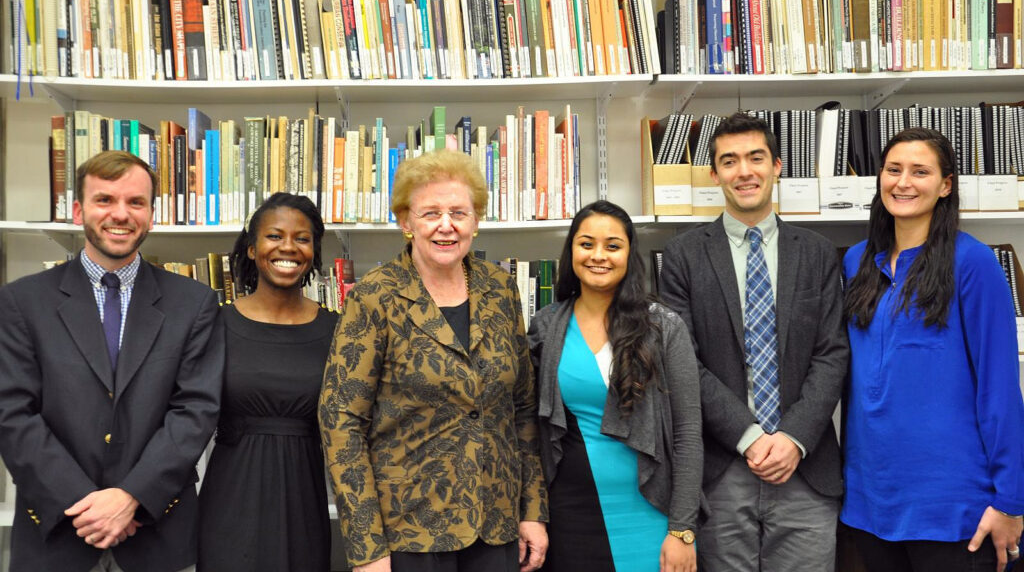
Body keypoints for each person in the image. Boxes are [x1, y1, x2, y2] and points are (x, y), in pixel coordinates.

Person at [318, 149, 548, 572]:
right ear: (406, 222)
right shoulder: (375, 296)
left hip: (494, 523)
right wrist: (367, 546)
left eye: (459, 212)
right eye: (430, 213)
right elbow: (341, 421)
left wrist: (531, 509)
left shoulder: (500, 290)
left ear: (476, 220)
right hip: (408, 530)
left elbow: (522, 409)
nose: (447, 225)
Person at [0, 150, 224, 572]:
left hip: (157, 531)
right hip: (57, 533)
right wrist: (87, 508)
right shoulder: (21, 302)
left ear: (152, 214)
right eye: (105, 200)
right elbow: (11, 414)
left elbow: (196, 411)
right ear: (79, 210)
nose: (120, 214)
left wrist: (131, 497)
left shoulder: (193, 303)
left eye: (135, 202)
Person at [659, 112, 849, 571]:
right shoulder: (683, 255)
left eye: (755, 157)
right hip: (721, 469)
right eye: (729, 161)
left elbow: (832, 354)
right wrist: (748, 437)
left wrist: (792, 438)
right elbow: (683, 362)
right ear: (714, 173)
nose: (744, 171)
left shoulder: (817, 251)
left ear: (777, 165)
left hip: (805, 467)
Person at [842, 126, 1024, 571]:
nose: (903, 183)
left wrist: (1011, 502)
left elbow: (1000, 389)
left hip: (955, 509)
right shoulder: (855, 262)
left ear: (945, 185)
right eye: (893, 170)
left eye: (920, 172)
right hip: (869, 505)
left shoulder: (974, 263)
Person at [528, 200, 702, 572]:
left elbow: (688, 432)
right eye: (586, 243)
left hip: (650, 510)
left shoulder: (663, 326)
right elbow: (532, 427)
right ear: (571, 250)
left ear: (629, 254)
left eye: (613, 246)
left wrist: (682, 529)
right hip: (570, 513)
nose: (598, 256)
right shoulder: (546, 326)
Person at [198, 193, 338, 571]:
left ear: (314, 250)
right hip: (230, 497)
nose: (288, 247)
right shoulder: (214, 324)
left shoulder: (338, 330)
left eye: (303, 238)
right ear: (251, 248)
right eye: (274, 236)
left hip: (304, 500)